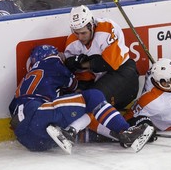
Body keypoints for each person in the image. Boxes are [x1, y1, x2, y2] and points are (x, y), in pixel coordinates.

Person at [9, 45, 154, 153]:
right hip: (38, 113)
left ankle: (71, 132)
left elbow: (13, 115)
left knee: (77, 114)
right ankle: (125, 131)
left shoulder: (25, 81)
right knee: (93, 96)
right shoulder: (52, 62)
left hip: (29, 139)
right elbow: (76, 87)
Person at [63, 5, 139, 110]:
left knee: (94, 101)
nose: (80, 37)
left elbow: (110, 63)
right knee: (80, 101)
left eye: (83, 33)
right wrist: (81, 88)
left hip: (123, 72)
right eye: (76, 33)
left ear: (91, 25)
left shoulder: (106, 28)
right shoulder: (72, 42)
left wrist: (81, 64)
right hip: (101, 78)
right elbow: (82, 75)